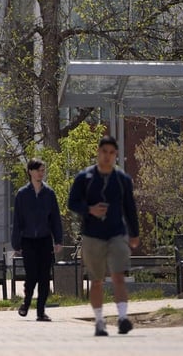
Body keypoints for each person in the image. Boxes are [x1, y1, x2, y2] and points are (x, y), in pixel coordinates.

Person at [68, 135, 140, 337]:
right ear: (98, 153)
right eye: (104, 152)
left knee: (118, 276)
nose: (107, 156)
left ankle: (123, 318)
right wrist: (89, 209)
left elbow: (130, 208)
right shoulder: (85, 178)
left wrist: (135, 233)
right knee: (97, 280)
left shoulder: (122, 179)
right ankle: (99, 322)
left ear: (115, 155)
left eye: (111, 153)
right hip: (92, 235)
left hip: (117, 233)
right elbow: (72, 203)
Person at [11, 158, 64, 322]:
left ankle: (41, 311)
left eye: (43, 170)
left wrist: (58, 240)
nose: (41, 173)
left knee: (44, 277)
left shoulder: (49, 193)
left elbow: (55, 218)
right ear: (30, 171)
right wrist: (16, 243)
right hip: (28, 241)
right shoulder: (22, 194)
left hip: (44, 240)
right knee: (31, 275)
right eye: (39, 170)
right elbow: (17, 221)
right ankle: (26, 303)